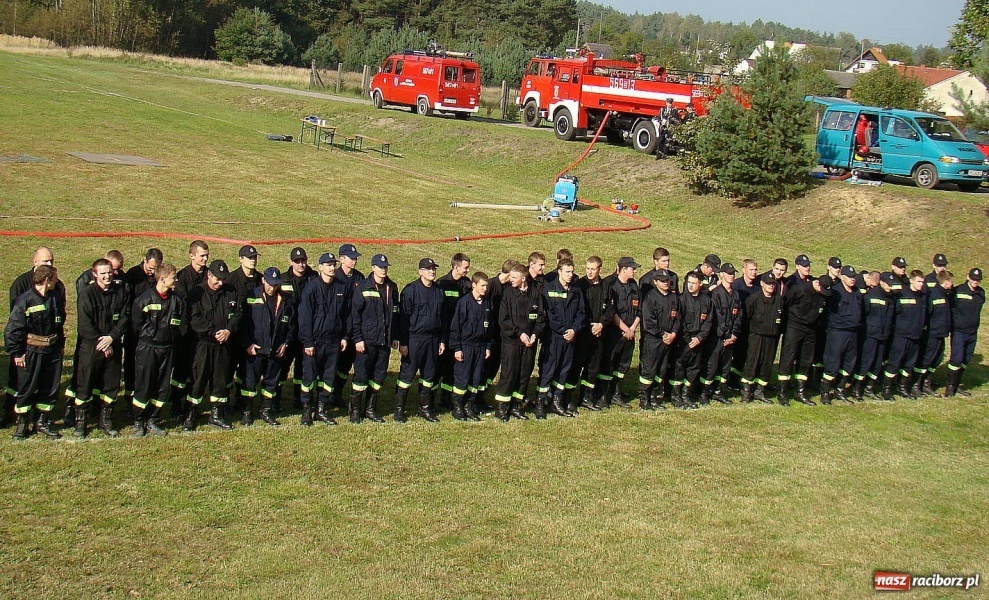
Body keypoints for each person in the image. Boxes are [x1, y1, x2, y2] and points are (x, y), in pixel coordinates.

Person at [3, 247, 66, 429]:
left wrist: (59, 344)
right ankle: (18, 421)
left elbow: (59, 320)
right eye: (46, 261)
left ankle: (42, 421)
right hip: (29, 350)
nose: (50, 264)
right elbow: (14, 326)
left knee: (49, 386)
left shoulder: (56, 293)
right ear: (35, 262)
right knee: (24, 385)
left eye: (51, 261)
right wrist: (17, 352)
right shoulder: (23, 292)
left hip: (51, 350)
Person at [72, 258, 130, 438]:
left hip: (113, 345)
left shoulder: (121, 292)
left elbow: (125, 317)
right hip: (91, 347)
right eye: (103, 273)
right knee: (85, 383)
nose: (107, 276)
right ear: (94, 274)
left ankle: (106, 420)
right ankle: (81, 423)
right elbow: (84, 324)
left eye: (109, 272)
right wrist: (102, 343)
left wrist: (112, 337)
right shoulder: (87, 294)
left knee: (111, 384)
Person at [187, 260, 242, 430]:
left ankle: (216, 415)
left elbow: (238, 314)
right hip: (203, 345)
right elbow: (195, 319)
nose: (221, 283)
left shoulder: (231, 292)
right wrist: (213, 332)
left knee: (220, 381)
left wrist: (229, 330)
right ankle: (191, 414)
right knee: (198, 380)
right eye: (217, 279)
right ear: (209, 275)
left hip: (223, 345)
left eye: (223, 279)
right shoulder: (197, 293)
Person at [130, 263, 184, 436]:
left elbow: (179, 325)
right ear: (162, 278)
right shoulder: (144, 300)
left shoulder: (176, 300)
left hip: (167, 349)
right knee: (144, 385)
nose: (176, 280)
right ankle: (138, 420)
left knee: (162, 387)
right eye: (173, 277)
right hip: (148, 348)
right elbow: (136, 326)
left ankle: (152, 419)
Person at [298, 252, 351, 426]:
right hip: (315, 342)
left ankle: (321, 409)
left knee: (328, 378)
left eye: (333, 265)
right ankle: (307, 410)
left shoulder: (341, 287)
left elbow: (346, 315)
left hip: (333, 341)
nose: (332, 268)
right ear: (320, 267)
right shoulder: (311, 288)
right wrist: (308, 342)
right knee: (309, 378)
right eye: (328, 265)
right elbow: (305, 317)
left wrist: (345, 336)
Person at [240, 267, 294, 427]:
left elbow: (291, 325)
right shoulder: (251, 297)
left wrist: (285, 343)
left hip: (275, 350)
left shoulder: (286, 300)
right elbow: (243, 323)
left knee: (271, 383)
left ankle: (266, 411)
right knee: (250, 383)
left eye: (276, 284)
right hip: (255, 349)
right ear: (263, 280)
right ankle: (247, 412)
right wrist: (247, 344)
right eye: (270, 284)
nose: (272, 288)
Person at [349, 254, 398, 423]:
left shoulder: (392, 287)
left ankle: (370, 409)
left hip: (384, 341)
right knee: (361, 376)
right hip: (366, 341)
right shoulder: (363, 287)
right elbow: (355, 315)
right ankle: (355, 411)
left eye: (385, 267)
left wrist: (394, 336)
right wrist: (358, 338)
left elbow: (395, 314)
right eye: (380, 267)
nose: (383, 270)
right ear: (373, 268)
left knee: (378, 376)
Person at [395, 258, 446, 422]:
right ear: (420, 272)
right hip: (414, 339)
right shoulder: (410, 291)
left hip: (432, 339)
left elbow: (443, 319)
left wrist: (441, 340)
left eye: (433, 269)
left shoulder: (439, 291)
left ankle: (425, 408)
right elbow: (403, 320)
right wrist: (403, 343)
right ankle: (399, 410)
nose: (432, 272)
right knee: (407, 376)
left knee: (429, 376)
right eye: (428, 269)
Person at [493, 263, 546, 421]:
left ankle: (516, 405)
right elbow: (503, 319)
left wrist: (535, 334)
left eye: (514, 277)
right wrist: (520, 333)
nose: (511, 280)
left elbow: (541, 317)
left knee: (524, 375)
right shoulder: (507, 294)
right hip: (511, 343)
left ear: (523, 278)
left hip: (529, 344)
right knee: (509, 374)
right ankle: (502, 408)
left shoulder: (535, 294)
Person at [537, 259, 584, 418]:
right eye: (567, 272)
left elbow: (581, 312)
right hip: (554, 338)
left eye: (572, 272)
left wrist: (574, 330)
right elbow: (549, 315)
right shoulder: (549, 289)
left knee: (564, 371)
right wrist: (564, 331)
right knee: (548, 371)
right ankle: (541, 402)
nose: (570, 275)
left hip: (570, 338)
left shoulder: (576, 291)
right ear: (559, 272)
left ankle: (557, 401)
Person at [569, 256, 614, 413]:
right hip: (582, 334)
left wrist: (601, 324)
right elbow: (577, 309)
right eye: (587, 268)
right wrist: (587, 325)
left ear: (600, 269)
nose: (589, 272)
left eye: (593, 269)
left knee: (593, 368)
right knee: (575, 366)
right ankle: (568, 397)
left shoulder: (606, 286)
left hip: (598, 334)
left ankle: (586, 397)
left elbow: (610, 309)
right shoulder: (579, 285)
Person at [778, 275, 832, 405]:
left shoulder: (822, 295)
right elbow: (786, 303)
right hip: (794, 326)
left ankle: (800, 392)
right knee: (788, 358)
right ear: (817, 283)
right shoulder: (800, 290)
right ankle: (782, 392)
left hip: (810, 329)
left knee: (806, 360)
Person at [171, 240, 210, 415]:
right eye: (202, 256)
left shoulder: (209, 275)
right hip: (185, 332)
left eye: (207, 256)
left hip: (203, 333)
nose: (205, 259)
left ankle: (191, 403)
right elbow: (183, 306)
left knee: (197, 371)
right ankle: (176, 402)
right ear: (191, 256)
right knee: (181, 370)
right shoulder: (182, 277)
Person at [448, 272, 493, 421]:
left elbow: (490, 327)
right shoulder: (464, 302)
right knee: (462, 378)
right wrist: (457, 348)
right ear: (474, 285)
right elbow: (456, 327)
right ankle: (457, 407)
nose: (485, 289)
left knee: (476, 378)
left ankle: (469, 405)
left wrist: (487, 346)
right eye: (482, 286)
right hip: (466, 346)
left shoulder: (487, 303)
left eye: (486, 286)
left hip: (480, 347)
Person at [122, 248, 162, 405]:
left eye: (156, 268)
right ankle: (129, 397)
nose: (152, 272)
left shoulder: (158, 276)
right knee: (132, 364)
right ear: (144, 260)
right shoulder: (132, 276)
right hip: (134, 329)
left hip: (152, 329)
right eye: (151, 268)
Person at [279, 247, 317, 413]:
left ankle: (299, 399)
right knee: (282, 367)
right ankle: (276, 400)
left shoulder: (313, 278)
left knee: (303, 368)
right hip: (288, 330)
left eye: (303, 261)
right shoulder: (283, 280)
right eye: (297, 261)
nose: (301, 264)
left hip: (306, 330)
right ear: (291, 262)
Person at [600, 257, 641, 408]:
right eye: (632, 269)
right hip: (615, 333)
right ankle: (603, 394)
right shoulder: (611, 285)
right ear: (623, 269)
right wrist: (626, 329)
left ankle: (616, 392)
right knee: (610, 363)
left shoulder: (634, 285)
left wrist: (633, 328)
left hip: (630, 333)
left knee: (623, 365)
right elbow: (612, 313)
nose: (635, 271)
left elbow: (639, 309)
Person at [882, 270, 928, 400]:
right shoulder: (902, 295)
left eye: (922, 282)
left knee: (909, 363)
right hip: (901, 336)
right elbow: (894, 314)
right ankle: (886, 389)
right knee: (894, 362)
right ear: (911, 281)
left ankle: (902, 387)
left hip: (916, 336)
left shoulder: (922, 297)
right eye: (919, 281)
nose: (921, 284)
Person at [821, 266, 864, 405]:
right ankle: (825, 393)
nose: (852, 279)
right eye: (849, 277)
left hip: (853, 332)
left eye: (854, 276)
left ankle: (840, 390)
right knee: (832, 362)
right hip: (838, 332)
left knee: (849, 363)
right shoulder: (835, 292)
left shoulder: (857, 292)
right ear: (842, 277)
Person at [700, 263, 742, 405]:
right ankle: (704, 392)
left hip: (730, 338)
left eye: (733, 274)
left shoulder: (736, 294)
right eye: (729, 273)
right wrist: (725, 335)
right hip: (717, 338)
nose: (732, 276)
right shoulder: (716, 294)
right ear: (722, 274)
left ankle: (719, 391)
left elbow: (739, 316)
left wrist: (734, 334)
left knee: (725, 367)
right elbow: (716, 316)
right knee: (711, 366)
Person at [228, 245, 262, 415]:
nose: (253, 260)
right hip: (234, 334)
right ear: (240, 259)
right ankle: (224, 403)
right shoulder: (231, 280)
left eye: (255, 257)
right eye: (250, 257)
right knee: (228, 370)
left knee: (246, 372)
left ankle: (242, 403)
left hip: (252, 334)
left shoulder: (260, 280)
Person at [637, 269, 679, 410]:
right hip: (653, 340)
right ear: (655, 282)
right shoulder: (650, 297)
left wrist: (673, 333)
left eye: (667, 280)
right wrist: (663, 334)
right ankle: (644, 399)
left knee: (661, 370)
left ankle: (654, 397)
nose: (665, 283)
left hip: (668, 340)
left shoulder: (673, 297)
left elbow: (678, 318)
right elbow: (649, 322)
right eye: (662, 281)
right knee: (649, 370)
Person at [671, 271, 713, 408]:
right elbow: (679, 321)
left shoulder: (706, 300)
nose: (690, 285)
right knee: (679, 367)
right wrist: (688, 339)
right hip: (683, 341)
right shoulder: (681, 299)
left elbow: (708, 321)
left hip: (698, 340)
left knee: (693, 368)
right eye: (689, 282)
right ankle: (676, 396)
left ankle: (686, 395)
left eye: (694, 283)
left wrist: (699, 338)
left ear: (700, 284)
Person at [331, 244, 365, 409]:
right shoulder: (335, 277)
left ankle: (337, 394)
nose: (354, 261)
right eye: (351, 258)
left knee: (345, 365)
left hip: (354, 328)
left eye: (355, 258)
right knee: (332, 365)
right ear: (341, 259)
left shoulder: (359, 278)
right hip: (337, 328)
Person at [437, 253, 472, 410]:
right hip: (446, 332)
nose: (467, 270)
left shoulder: (467, 284)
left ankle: (450, 397)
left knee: (454, 368)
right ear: (456, 267)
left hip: (461, 333)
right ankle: (441, 398)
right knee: (442, 367)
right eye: (465, 267)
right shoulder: (442, 284)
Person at [740, 273, 782, 404]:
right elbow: (746, 318)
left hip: (771, 337)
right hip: (756, 336)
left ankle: (760, 391)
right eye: (768, 283)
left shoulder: (779, 300)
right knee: (752, 362)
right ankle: (746, 391)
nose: (771, 286)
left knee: (766, 364)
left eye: (773, 284)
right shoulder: (753, 299)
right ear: (762, 284)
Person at [854, 272, 894, 401]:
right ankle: (857, 388)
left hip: (883, 336)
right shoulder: (869, 295)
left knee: (877, 363)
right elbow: (864, 315)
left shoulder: (889, 298)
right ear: (881, 282)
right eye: (888, 284)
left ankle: (869, 388)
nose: (890, 287)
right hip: (870, 335)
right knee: (866, 361)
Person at [944, 268, 984, 397]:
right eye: (973, 279)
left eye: (978, 280)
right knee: (956, 359)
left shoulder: (981, 293)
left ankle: (957, 385)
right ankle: (950, 387)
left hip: (972, 332)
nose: (975, 281)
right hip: (959, 332)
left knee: (966, 359)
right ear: (968, 277)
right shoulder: (958, 291)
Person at [916, 270, 953, 397]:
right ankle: (916, 385)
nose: (952, 284)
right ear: (946, 282)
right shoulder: (933, 294)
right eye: (951, 281)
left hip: (941, 333)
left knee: (936, 358)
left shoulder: (945, 294)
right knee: (926, 359)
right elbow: (927, 314)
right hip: (932, 333)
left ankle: (927, 383)